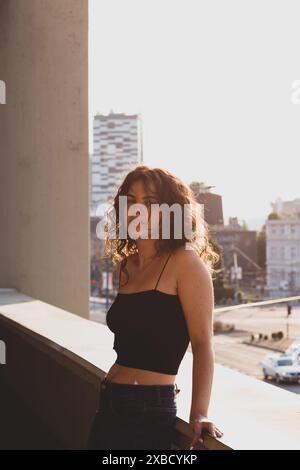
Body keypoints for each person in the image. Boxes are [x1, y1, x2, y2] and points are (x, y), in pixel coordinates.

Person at [87, 165, 223, 450]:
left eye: (150, 202)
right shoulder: (127, 266)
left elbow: (202, 344)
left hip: (148, 411)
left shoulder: (185, 263)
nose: (138, 210)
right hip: (109, 398)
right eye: (131, 200)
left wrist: (199, 412)